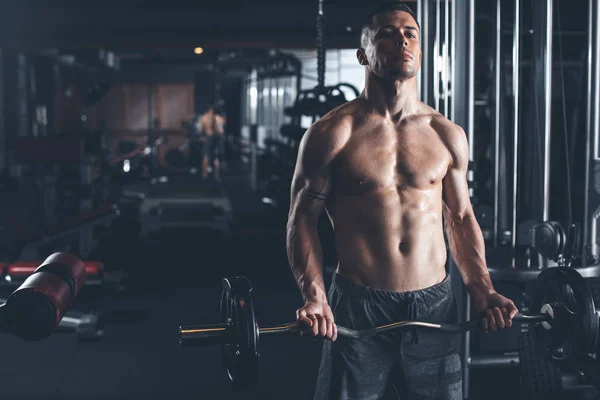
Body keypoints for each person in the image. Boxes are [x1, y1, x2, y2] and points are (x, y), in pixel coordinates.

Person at [286, 2, 518, 399]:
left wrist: (482, 288)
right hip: (359, 305)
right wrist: (315, 295)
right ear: (363, 54)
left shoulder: (446, 133)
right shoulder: (332, 133)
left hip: (434, 305)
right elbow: (301, 220)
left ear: (421, 50)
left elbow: (460, 219)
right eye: (387, 34)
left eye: (410, 33)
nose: (402, 40)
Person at [197, 104, 226, 180]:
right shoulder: (219, 118)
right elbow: (222, 129)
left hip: (209, 137)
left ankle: (204, 175)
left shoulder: (204, 118)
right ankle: (216, 176)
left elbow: (200, 130)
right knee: (215, 157)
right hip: (217, 137)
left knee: (206, 156)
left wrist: (201, 137)